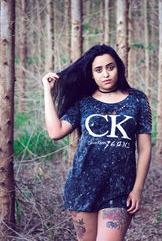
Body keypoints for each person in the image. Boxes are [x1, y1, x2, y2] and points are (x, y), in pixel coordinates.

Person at [42, 44, 152, 241]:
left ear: (119, 67)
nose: (105, 74)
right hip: (82, 188)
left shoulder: (137, 100)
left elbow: (144, 149)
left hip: (120, 190)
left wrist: (137, 190)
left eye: (110, 67)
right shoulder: (84, 102)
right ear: (91, 75)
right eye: (98, 70)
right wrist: (47, 92)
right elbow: (55, 132)